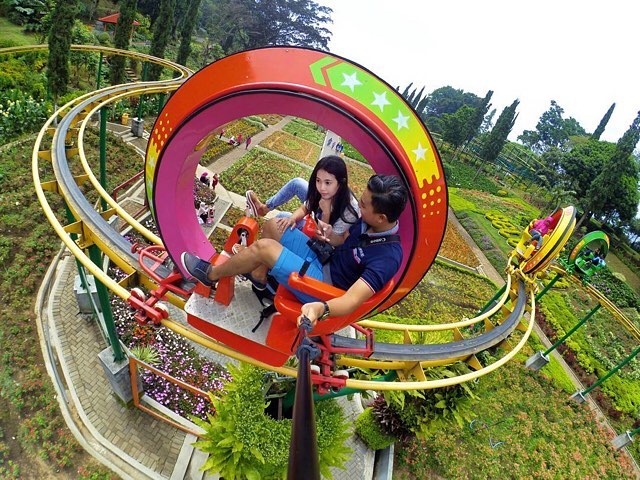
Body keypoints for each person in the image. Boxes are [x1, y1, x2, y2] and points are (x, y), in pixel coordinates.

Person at [181, 174, 408, 327]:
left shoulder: (388, 258)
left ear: (381, 218)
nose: (359, 207)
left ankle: (210, 274)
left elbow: (351, 301)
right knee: (275, 225)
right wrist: (328, 234)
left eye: (364, 205)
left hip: (325, 287)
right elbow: (343, 240)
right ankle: (260, 277)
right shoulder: (368, 222)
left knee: (264, 248)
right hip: (324, 259)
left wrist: (321, 308)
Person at [245, 155, 359, 246]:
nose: (321, 187)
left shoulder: (349, 210)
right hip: (316, 218)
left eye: (327, 182)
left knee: (281, 218)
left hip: (323, 239)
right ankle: (264, 209)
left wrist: (326, 213)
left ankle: (262, 252)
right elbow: (305, 208)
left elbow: (326, 241)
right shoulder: (323, 190)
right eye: (318, 180)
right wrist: (292, 219)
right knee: (296, 186)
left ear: (341, 182)